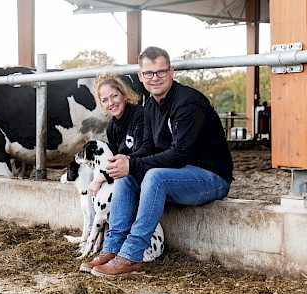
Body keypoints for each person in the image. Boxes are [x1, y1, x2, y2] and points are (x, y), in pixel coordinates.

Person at [80, 46, 234, 277]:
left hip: (210, 177)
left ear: (171, 71)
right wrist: (123, 165)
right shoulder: (151, 105)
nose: (155, 78)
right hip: (181, 175)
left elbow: (180, 154)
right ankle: (112, 248)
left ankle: (131, 255)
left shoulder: (188, 102)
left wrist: (132, 163)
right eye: (149, 73)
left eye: (161, 72)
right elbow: (149, 149)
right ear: (141, 76)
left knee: (153, 175)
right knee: (128, 174)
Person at [87, 73, 145, 197]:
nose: (111, 103)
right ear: (102, 106)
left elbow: (142, 153)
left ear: (124, 95)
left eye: (114, 96)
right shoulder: (111, 128)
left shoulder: (140, 116)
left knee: (119, 180)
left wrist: (103, 176)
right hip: (128, 173)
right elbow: (112, 158)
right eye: (105, 100)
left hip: (144, 171)